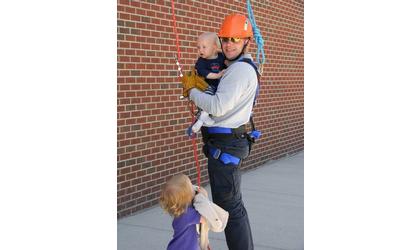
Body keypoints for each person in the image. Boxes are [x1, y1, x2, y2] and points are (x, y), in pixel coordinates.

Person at [182, 13, 259, 250]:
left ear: (246, 41)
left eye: (235, 39)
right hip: (223, 144)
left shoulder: (240, 71)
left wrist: (191, 91)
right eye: (225, 38)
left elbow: (217, 106)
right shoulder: (233, 66)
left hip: (225, 146)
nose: (228, 44)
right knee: (230, 205)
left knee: (230, 208)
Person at [160, 174, 228, 250]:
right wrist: (204, 197)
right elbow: (206, 217)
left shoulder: (182, 213)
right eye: (190, 186)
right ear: (187, 196)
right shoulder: (187, 214)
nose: (193, 187)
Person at [188, 32, 226, 135]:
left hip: (218, 88)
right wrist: (218, 75)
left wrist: (218, 49)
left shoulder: (221, 56)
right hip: (205, 86)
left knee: (214, 101)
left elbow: (228, 57)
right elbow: (206, 74)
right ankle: (202, 119)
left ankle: (202, 120)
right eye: (198, 47)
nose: (200, 50)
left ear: (214, 47)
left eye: (204, 47)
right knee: (209, 97)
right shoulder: (201, 62)